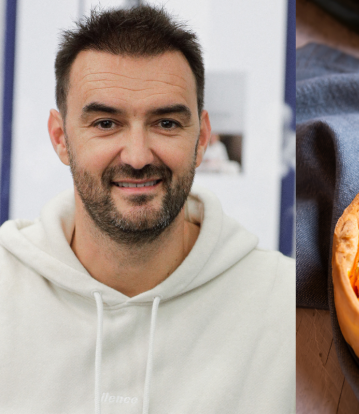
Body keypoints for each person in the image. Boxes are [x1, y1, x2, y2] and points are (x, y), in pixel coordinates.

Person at [0, 5, 294, 414]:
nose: (137, 156)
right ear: (60, 137)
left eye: (166, 124)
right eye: (106, 123)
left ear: (202, 137)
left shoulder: (285, 302)